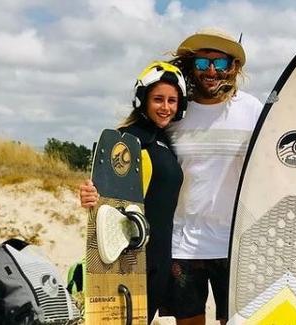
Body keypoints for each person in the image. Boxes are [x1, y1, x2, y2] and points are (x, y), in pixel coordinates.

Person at [160, 28, 296, 325]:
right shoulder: (176, 111)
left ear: (233, 67)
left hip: (241, 242)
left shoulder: (252, 110)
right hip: (183, 243)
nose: (211, 71)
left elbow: (286, 156)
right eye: (203, 63)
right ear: (191, 66)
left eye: (219, 63)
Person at [79, 61, 186, 322]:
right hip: (131, 257)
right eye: (158, 99)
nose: (166, 107)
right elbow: (105, 200)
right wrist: (89, 195)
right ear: (143, 100)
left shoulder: (164, 142)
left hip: (159, 256)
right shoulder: (128, 141)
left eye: (172, 101)